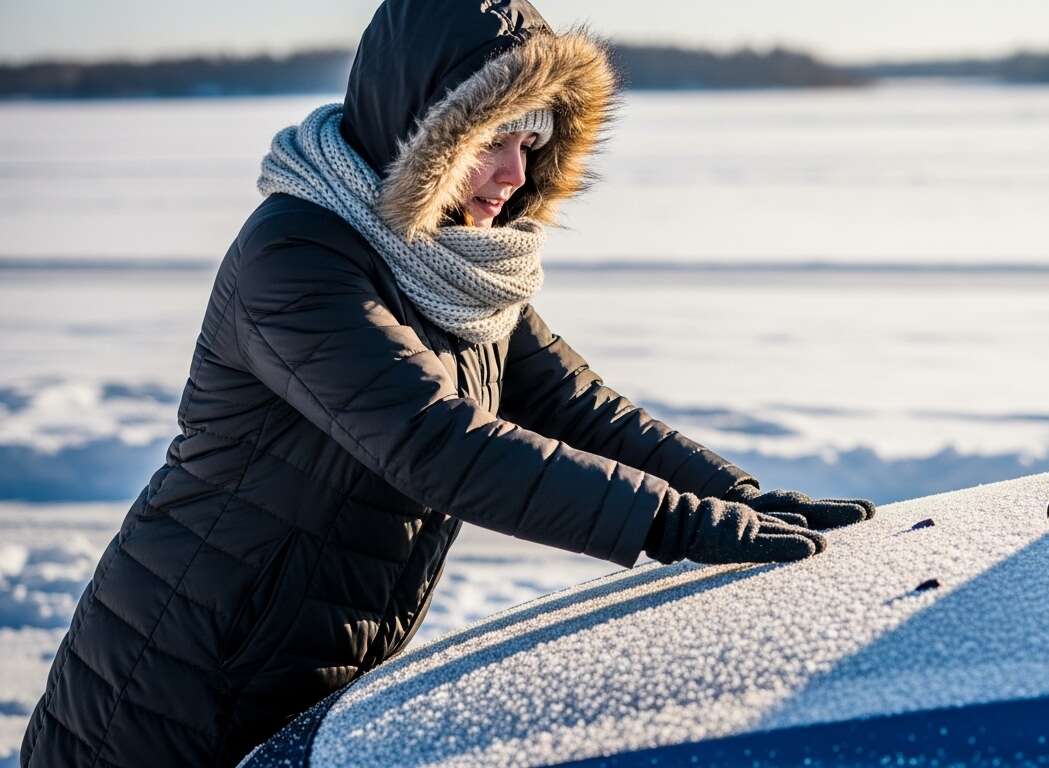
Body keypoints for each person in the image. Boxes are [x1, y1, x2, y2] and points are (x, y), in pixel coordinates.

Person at [20, 1, 876, 765]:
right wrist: (677, 524)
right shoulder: (296, 256)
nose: (514, 176)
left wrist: (736, 495)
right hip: (174, 681)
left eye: (530, 146)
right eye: (492, 142)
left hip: (305, 662)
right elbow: (435, 444)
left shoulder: (448, 267)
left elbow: (576, 407)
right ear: (421, 133)